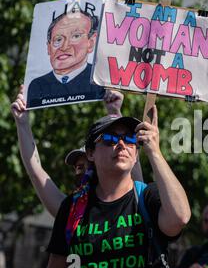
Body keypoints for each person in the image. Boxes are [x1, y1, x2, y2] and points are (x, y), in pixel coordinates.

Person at [42, 106, 191, 268]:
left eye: (129, 139)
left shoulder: (148, 196)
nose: (121, 144)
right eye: (110, 138)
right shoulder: (73, 207)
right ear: (90, 153)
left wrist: (154, 152)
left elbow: (180, 218)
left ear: (136, 154)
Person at [11, 86, 141, 217]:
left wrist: (114, 112)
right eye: (79, 167)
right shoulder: (73, 211)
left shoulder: (139, 198)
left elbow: (128, 159)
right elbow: (36, 172)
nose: (85, 172)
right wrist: (22, 123)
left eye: (90, 167)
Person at [27, 10, 104, 108]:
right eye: (58, 39)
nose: (64, 47)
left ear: (91, 43)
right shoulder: (37, 86)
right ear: (48, 48)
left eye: (76, 36)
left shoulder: (100, 81)